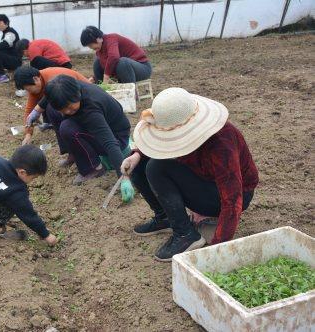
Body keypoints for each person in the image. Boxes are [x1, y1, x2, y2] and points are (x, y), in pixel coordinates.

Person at [121, 87, 259, 261]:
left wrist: (217, 248)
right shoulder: (177, 122)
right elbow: (157, 148)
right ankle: (165, 218)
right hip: (203, 178)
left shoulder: (221, 143)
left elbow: (233, 199)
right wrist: (136, 155)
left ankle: (186, 234)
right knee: (141, 165)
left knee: (156, 168)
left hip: (229, 193)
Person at [44, 75, 135, 198]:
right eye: (63, 109)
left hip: (116, 137)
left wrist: (124, 178)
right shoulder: (69, 87)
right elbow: (49, 99)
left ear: (77, 94)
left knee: (67, 128)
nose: (67, 112)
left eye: (70, 107)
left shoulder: (91, 109)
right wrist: (37, 110)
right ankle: (72, 153)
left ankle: (93, 168)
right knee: (51, 109)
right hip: (97, 127)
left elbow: (110, 143)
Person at [13, 65, 89, 150]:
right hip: (70, 105)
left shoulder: (54, 78)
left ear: (35, 79)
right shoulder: (35, 86)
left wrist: (37, 110)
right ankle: (69, 151)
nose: (28, 92)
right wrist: (28, 134)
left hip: (83, 101)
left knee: (52, 108)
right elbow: (29, 112)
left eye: (28, 89)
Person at [80, 26, 151, 84]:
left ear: (98, 39)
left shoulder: (111, 39)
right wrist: (94, 78)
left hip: (142, 68)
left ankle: (131, 95)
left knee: (122, 62)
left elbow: (114, 57)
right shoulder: (99, 50)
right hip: (125, 72)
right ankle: (102, 92)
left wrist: (106, 77)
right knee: (97, 62)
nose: (91, 48)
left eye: (90, 45)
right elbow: (105, 64)